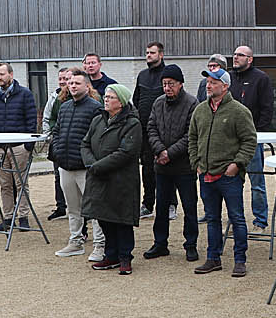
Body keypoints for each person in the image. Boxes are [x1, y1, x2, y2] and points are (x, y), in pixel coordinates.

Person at [188, 67, 257, 277]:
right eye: (208, 82)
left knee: (236, 218)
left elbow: (249, 141)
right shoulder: (200, 110)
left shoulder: (239, 111)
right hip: (206, 174)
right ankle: (213, 258)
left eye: (214, 82)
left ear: (225, 86)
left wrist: (236, 165)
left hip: (229, 176)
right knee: (212, 218)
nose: (209, 85)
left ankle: (240, 260)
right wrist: (196, 163)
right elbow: (192, 138)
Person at [82, 84, 142, 275]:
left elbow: (126, 152)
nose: (106, 100)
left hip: (121, 180)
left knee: (121, 220)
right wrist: (91, 164)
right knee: (104, 218)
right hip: (99, 179)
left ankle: (125, 257)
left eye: (110, 97)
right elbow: (85, 144)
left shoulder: (132, 124)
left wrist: (98, 166)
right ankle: (111, 255)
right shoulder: (98, 120)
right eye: (105, 97)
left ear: (121, 103)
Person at [145, 64, 199, 262]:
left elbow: (190, 135)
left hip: (184, 166)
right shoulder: (158, 103)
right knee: (161, 207)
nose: (167, 88)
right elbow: (151, 127)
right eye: (164, 84)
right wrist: (159, 150)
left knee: (189, 207)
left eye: (171, 84)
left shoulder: (192, 103)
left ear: (180, 84)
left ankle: (190, 244)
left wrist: (170, 153)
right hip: (161, 165)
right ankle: (160, 243)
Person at [51, 69, 105, 260]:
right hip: (65, 165)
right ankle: (76, 242)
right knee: (73, 209)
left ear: (87, 86)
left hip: (85, 168)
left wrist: (89, 160)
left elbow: (99, 138)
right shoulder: (64, 107)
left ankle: (100, 245)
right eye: (70, 83)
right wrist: (57, 151)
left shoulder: (95, 108)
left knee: (94, 209)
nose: (72, 86)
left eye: (77, 83)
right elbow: (56, 131)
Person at [0, 62, 37, 231]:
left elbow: (31, 120)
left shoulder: (25, 94)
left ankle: (23, 217)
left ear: (11, 75)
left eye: (1, 74)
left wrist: (28, 145)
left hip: (19, 146)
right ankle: (7, 218)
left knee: (21, 183)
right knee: (4, 184)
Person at [230, 45, 275, 231]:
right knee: (232, 183)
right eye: (234, 54)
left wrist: (257, 134)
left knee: (256, 182)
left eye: (240, 55)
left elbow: (267, 108)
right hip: (231, 139)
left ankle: (260, 221)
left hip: (252, 139)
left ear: (250, 59)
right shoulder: (229, 78)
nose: (235, 57)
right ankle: (237, 221)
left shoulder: (261, 79)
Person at [134, 41, 167, 219]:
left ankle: (170, 204)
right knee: (147, 169)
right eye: (147, 52)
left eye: (152, 52)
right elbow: (136, 100)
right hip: (145, 131)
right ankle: (148, 204)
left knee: (167, 167)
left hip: (165, 131)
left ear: (161, 54)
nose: (148, 55)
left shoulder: (169, 74)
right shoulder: (142, 75)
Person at [41, 66, 72, 220]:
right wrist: (51, 135)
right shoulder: (55, 98)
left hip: (74, 143)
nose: (62, 82)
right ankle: (61, 206)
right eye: (60, 79)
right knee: (58, 176)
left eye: (65, 79)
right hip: (58, 142)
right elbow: (49, 118)